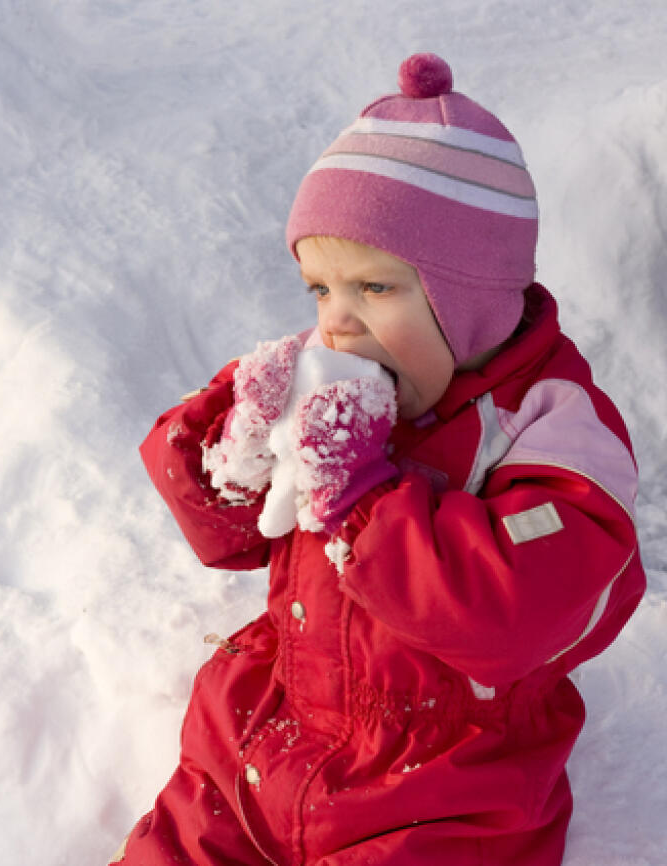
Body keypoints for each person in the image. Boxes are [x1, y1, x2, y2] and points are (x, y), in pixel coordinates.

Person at [111, 53, 646, 865]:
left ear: (475, 300)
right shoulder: (338, 385)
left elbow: (524, 617)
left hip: (444, 780)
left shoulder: (550, 429)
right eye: (319, 289)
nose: (339, 323)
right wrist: (236, 440)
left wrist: (361, 496)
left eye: (378, 288)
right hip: (270, 730)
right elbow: (227, 537)